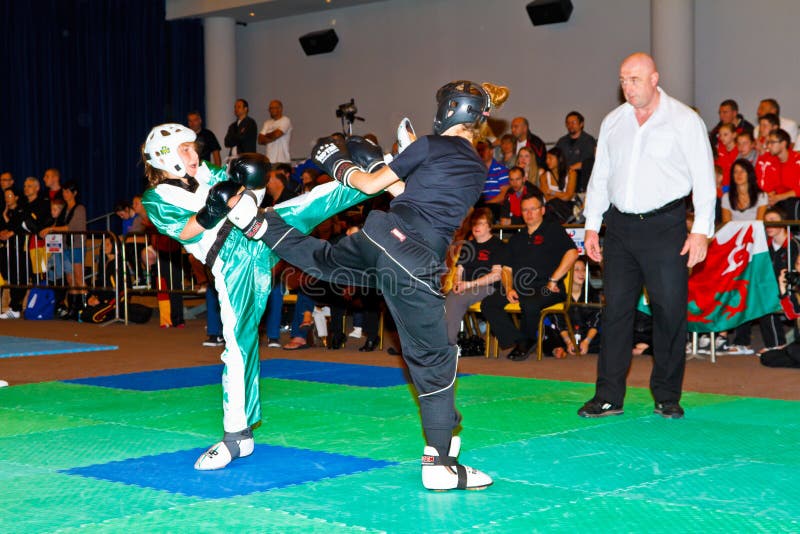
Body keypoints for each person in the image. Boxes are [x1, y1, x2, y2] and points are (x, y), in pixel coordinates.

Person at [225, 80, 506, 490]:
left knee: (324, 261)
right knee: (435, 360)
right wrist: (370, 165)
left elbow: (387, 189)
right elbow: (395, 190)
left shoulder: (428, 145)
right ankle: (440, 464)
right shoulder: (476, 169)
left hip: (379, 237)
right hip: (414, 259)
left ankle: (256, 222)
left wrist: (337, 160)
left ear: (449, 110)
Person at [140, 123, 369, 471]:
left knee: (312, 202)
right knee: (239, 346)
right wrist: (213, 208)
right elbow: (186, 231)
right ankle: (237, 437)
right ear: (165, 157)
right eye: (185, 149)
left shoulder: (207, 172)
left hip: (259, 230)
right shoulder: (156, 199)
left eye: (193, 147)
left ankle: (385, 168)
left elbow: (247, 192)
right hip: (230, 260)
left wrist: (252, 184)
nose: (194, 154)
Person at [580, 52, 716, 420]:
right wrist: (592, 224)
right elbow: (601, 177)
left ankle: (667, 396)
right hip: (620, 229)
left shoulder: (685, 121)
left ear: (655, 79)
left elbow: (705, 178)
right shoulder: (613, 121)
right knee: (616, 314)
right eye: (623, 80)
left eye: (635, 79)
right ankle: (608, 396)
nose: (628, 86)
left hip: (665, 227)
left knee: (670, 313)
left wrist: (701, 231)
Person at [481, 193, 578, 361]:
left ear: (542, 210)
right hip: (520, 288)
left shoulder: (553, 229)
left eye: (533, 209)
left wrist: (553, 280)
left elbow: (572, 253)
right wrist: (509, 288)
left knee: (530, 302)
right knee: (489, 303)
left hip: (548, 289)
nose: (529, 213)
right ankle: (522, 340)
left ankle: (524, 343)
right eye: (525, 210)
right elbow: (506, 269)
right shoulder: (517, 238)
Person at [444, 208, 504, 345]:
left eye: (481, 223)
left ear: (489, 226)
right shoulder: (468, 246)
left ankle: (448, 344)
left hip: (488, 287)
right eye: (474, 224)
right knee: (444, 299)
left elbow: (496, 275)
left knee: (456, 299)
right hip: (467, 287)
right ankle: (439, 342)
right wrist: (457, 283)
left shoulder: (498, 245)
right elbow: (459, 270)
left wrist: (469, 285)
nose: (476, 227)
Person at [555, 111, 597, 192]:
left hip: (581, 178)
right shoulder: (561, 141)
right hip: (563, 178)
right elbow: (555, 158)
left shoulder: (588, 140)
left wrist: (568, 170)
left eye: (573, 122)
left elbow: (586, 162)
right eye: (568, 123)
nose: (570, 125)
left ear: (581, 124)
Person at [721, 159, 768, 223]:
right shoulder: (726, 197)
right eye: (735, 172)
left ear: (749, 174)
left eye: (742, 171)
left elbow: (759, 224)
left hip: (755, 231)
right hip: (734, 232)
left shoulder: (761, 196)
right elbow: (726, 224)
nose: (739, 174)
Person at [258, 100, 292, 164]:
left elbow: (277, 135)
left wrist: (266, 136)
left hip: (283, 161)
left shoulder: (285, 120)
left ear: (280, 109)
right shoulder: (267, 123)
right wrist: (272, 136)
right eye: (270, 108)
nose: (271, 110)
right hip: (269, 160)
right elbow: (260, 140)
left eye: (274, 108)